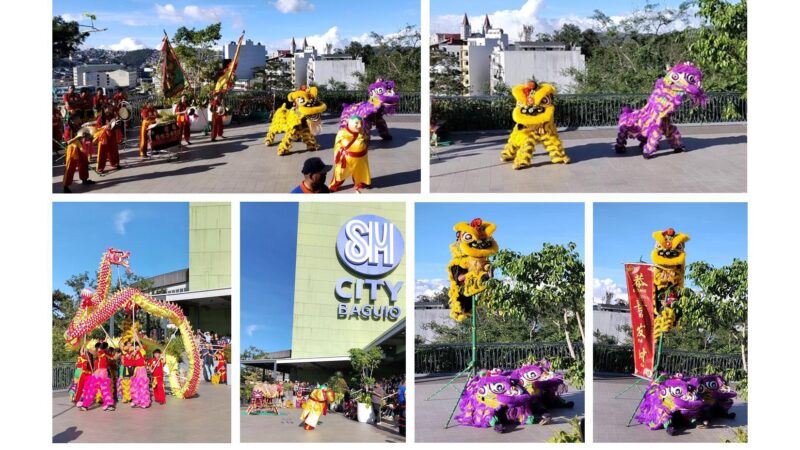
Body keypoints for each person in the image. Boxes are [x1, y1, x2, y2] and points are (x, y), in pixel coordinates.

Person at [330, 115, 370, 193]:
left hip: (361, 158)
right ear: (350, 123)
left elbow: (366, 138)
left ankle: (361, 183)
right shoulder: (342, 132)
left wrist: (364, 146)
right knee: (340, 173)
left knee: (361, 172)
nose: (359, 126)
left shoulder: (362, 131)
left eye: (361, 123)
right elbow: (337, 144)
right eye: (356, 123)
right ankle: (334, 186)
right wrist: (337, 155)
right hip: (346, 157)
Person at [79, 342, 115, 411]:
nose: (96, 349)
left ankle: (86, 406)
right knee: (101, 389)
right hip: (99, 373)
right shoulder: (101, 356)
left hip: (101, 373)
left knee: (97, 389)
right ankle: (109, 405)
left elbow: (96, 353)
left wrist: (87, 349)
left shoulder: (101, 352)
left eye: (97, 348)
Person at [95, 106, 120, 173]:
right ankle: (100, 168)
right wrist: (106, 127)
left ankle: (114, 163)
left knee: (113, 150)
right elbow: (97, 128)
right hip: (104, 136)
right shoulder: (100, 117)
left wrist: (116, 123)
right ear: (104, 109)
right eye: (107, 107)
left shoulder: (112, 115)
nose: (109, 109)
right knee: (102, 152)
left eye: (110, 107)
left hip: (112, 135)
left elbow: (114, 124)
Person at [129, 342, 151, 408]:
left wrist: (136, 335)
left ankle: (144, 402)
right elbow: (130, 360)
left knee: (143, 386)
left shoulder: (142, 352)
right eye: (135, 346)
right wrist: (132, 355)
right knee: (136, 386)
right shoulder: (134, 353)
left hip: (142, 370)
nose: (136, 347)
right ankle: (136, 401)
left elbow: (141, 345)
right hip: (137, 370)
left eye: (137, 346)